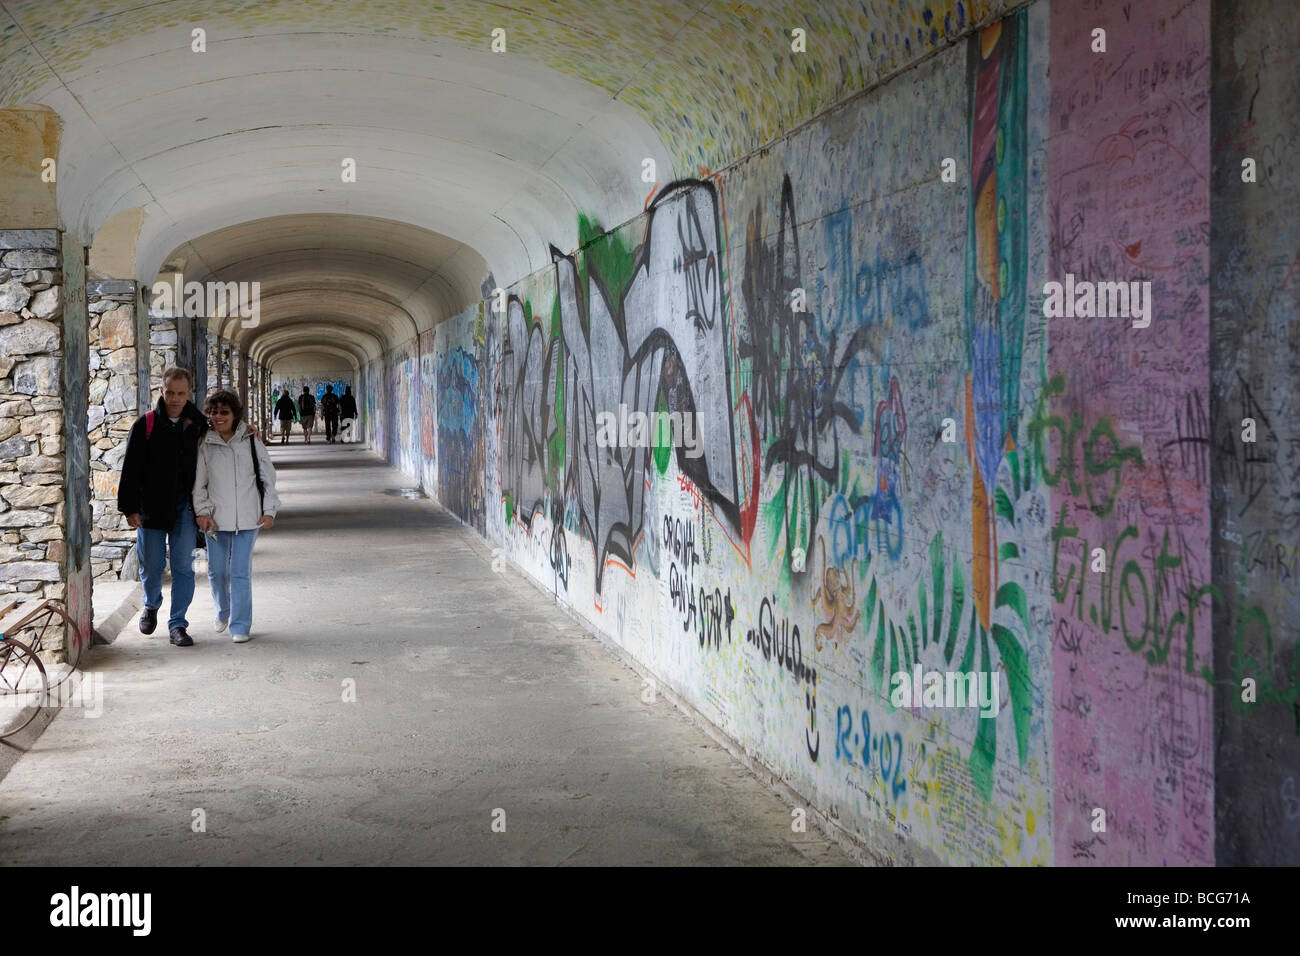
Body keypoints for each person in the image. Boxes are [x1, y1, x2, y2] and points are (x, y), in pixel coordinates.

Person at [117, 367, 206, 646]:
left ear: (189, 393)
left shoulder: (199, 424)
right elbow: (130, 468)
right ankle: (151, 603)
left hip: (185, 508)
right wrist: (130, 508)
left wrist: (248, 432)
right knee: (151, 565)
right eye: (170, 393)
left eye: (181, 393)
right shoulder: (146, 425)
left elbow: (225, 442)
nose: (176, 399)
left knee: (183, 567)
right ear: (161, 391)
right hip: (151, 507)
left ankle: (178, 624)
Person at [193, 389, 280, 644]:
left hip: (249, 517)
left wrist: (269, 510)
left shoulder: (251, 440)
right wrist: (202, 512)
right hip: (216, 520)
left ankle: (240, 624)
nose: (219, 417)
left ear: (235, 414)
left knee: (240, 572)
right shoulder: (205, 443)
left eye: (225, 412)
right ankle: (223, 611)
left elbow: (267, 478)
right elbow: (199, 483)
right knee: (218, 571)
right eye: (214, 412)